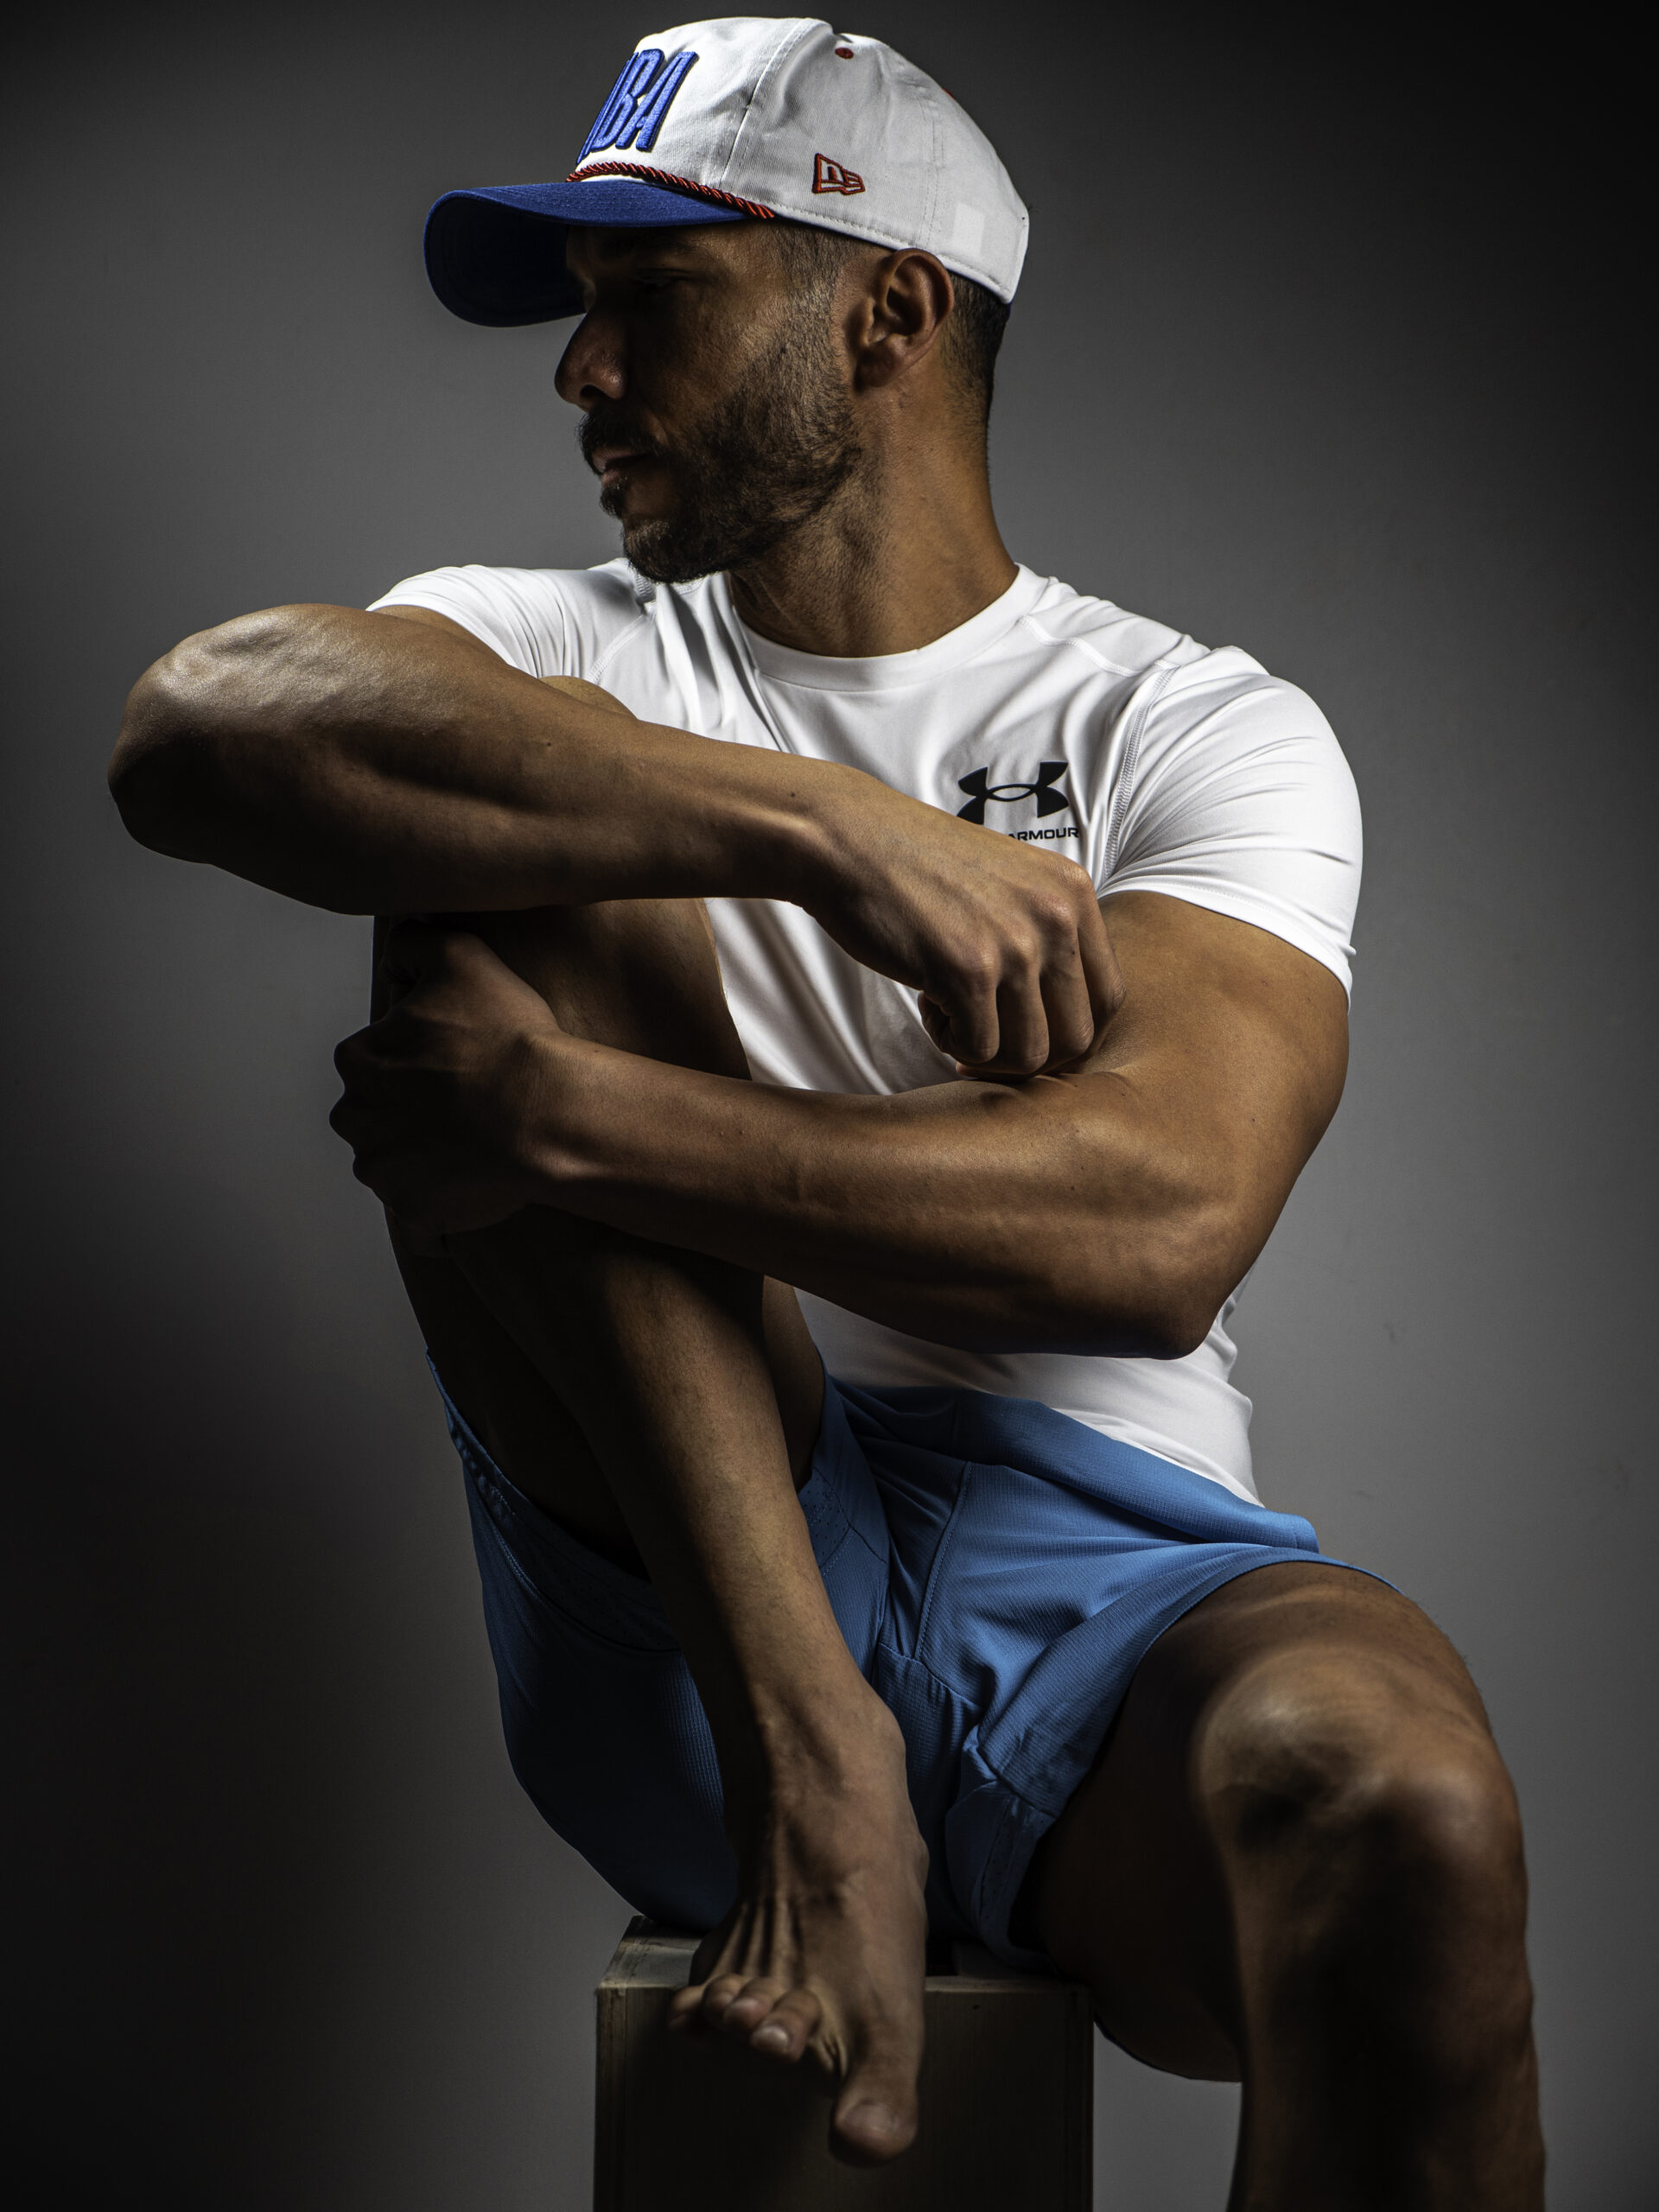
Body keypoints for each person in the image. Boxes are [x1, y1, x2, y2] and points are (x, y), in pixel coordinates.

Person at [108, 16, 1544, 2201]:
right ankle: (817, 1761)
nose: (581, 372)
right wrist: (824, 831)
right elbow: (192, 732)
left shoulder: (1187, 724)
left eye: (652, 296)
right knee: (506, 804)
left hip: (1116, 1577)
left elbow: (1153, 1226)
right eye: (579, 308)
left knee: (1409, 1816)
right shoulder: (546, 641)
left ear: (887, 311)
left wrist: (572, 1117)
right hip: (694, 1558)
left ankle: (877, 1769)